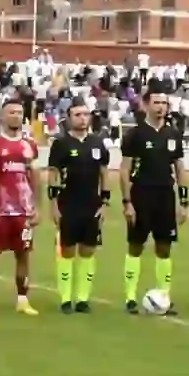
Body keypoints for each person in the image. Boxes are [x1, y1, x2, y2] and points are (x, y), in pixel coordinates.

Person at [119, 89, 187, 315]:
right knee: (136, 245)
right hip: (141, 194)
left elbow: (179, 167)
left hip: (165, 195)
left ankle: (164, 296)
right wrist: (127, 202)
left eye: (164, 103)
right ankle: (130, 297)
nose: (161, 107)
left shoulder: (173, 134)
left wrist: (184, 201)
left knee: (164, 247)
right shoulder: (135, 135)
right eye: (156, 102)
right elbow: (124, 169)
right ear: (146, 105)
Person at [45, 100, 114, 314]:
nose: (83, 118)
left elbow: (104, 173)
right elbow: (53, 174)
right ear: (69, 118)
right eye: (78, 115)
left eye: (85, 114)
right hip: (68, 204)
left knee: (88, 251)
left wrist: (105, 202)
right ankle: (66, 299)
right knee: (66, 251)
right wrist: (53, 205)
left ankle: (83, 299)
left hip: (91, 205)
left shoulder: (98, 143)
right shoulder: (61, 144)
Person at [0, 98, 39, 316]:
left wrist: (36, 207)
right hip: (1, 210)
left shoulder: (29, 145)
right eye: (11, 112)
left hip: (23, 212)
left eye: (19, 112)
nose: (16, 116)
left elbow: (34, 177)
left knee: (23, 255)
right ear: (2, 117)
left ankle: (22, 300)